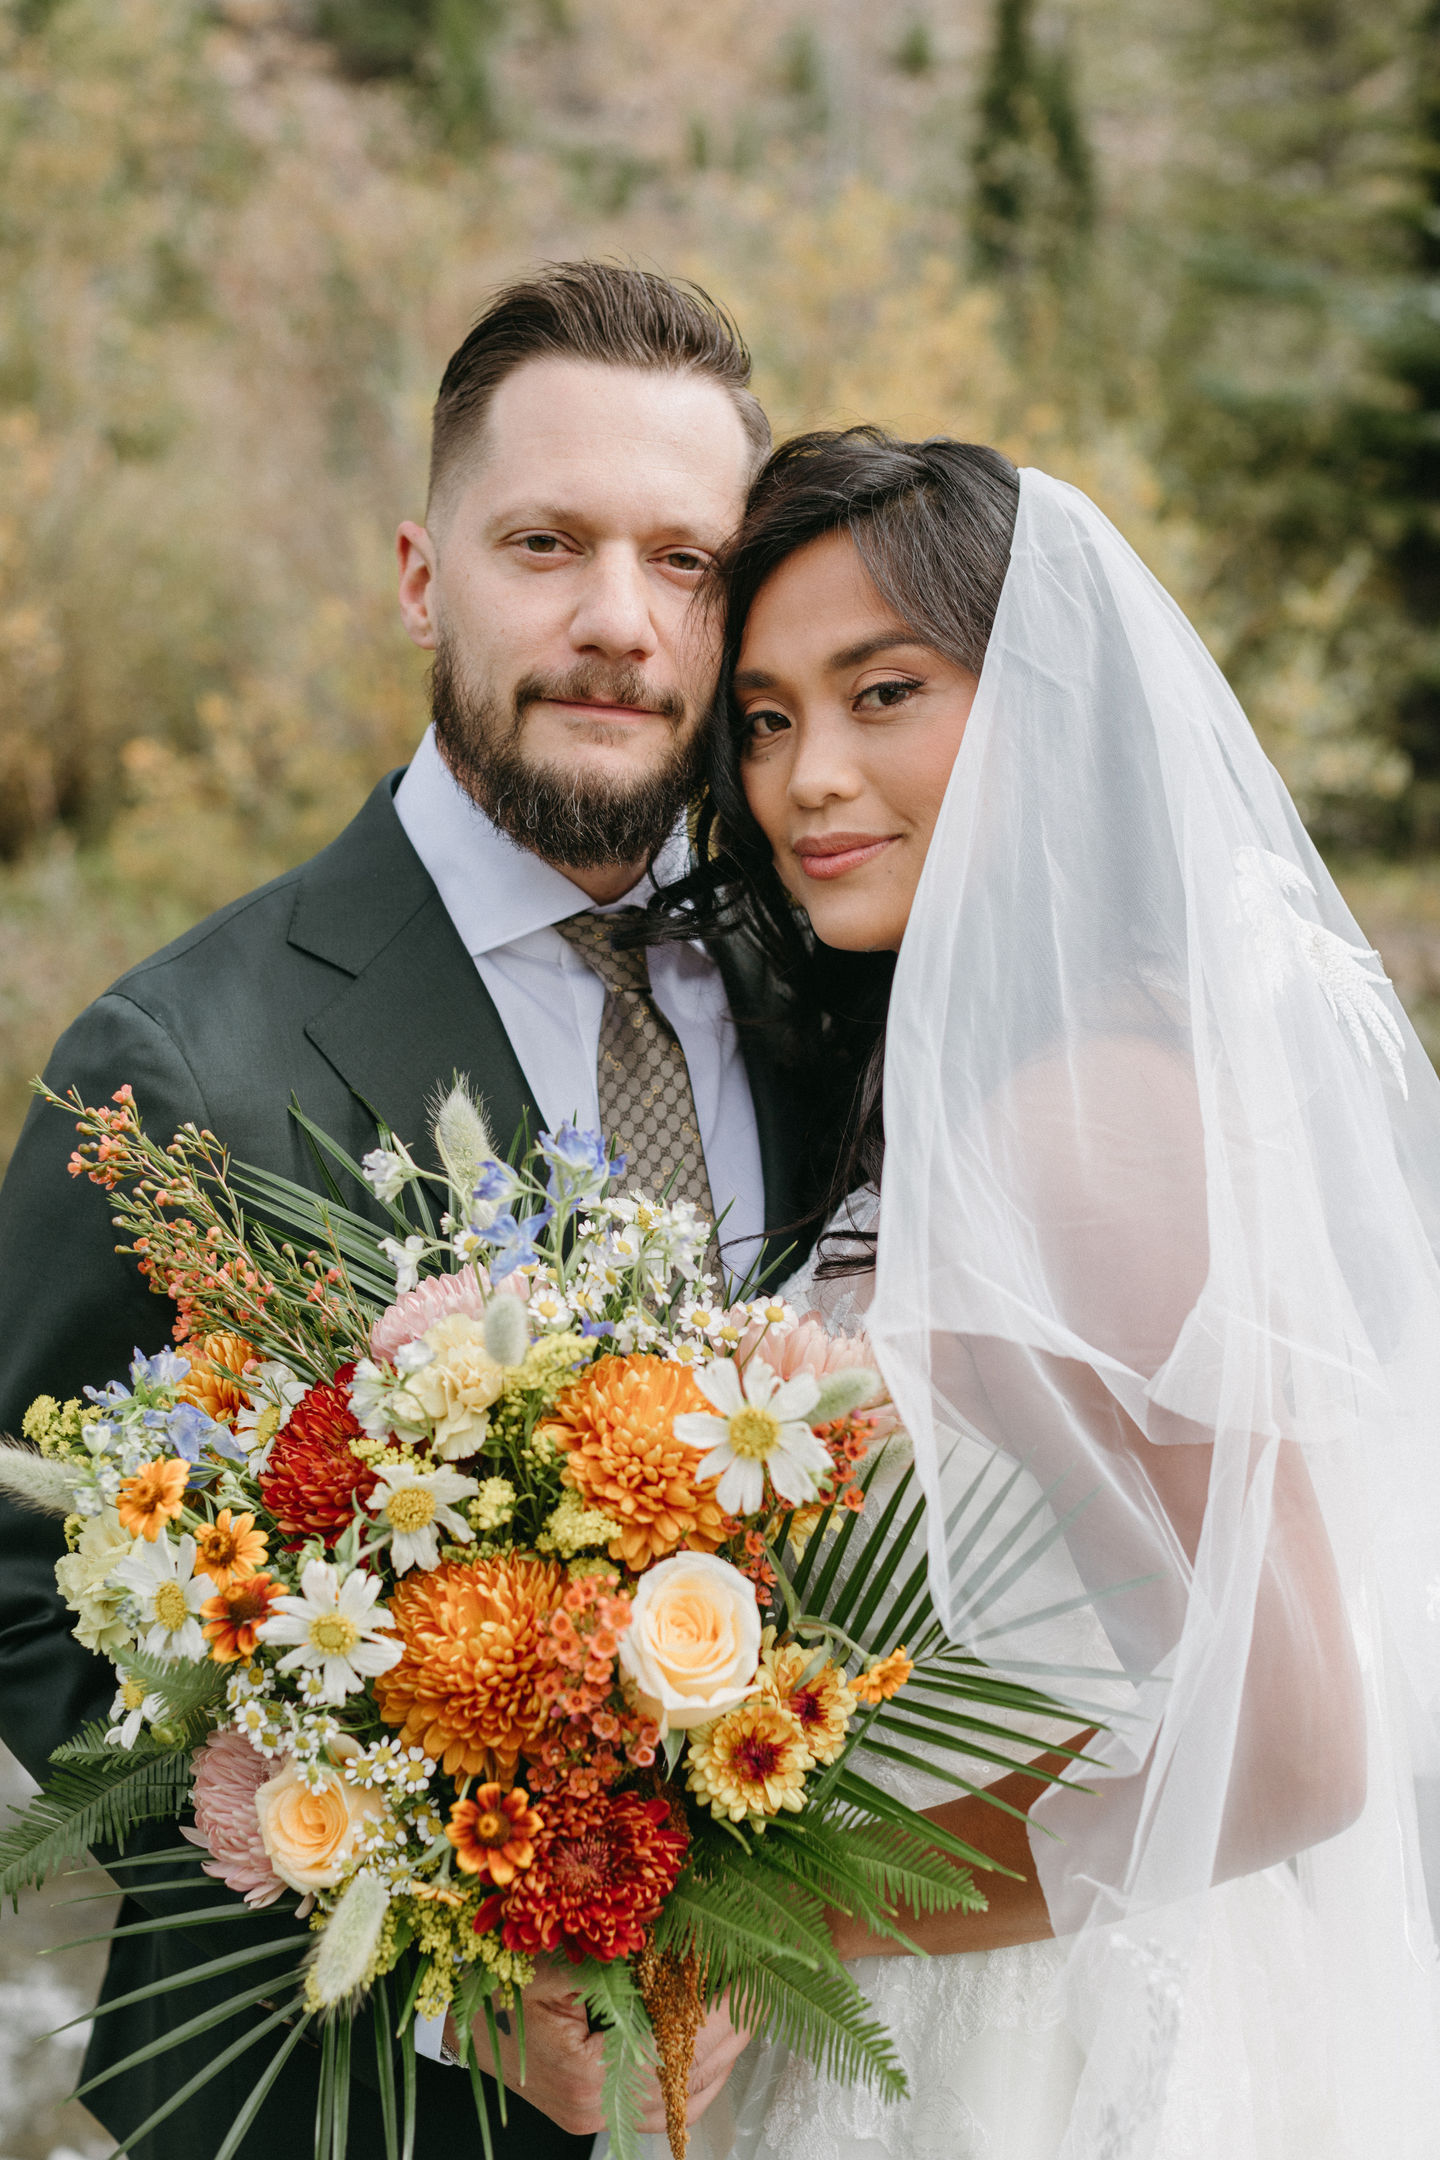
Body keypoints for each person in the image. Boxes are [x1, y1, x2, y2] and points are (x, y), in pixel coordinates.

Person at [0, 263, 833, 2159]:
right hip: (351, 2097)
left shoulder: (834, 995)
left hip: (813, 2067)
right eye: (546, 542)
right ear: (421, 573)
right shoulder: (177, 1061)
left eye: (685, 563)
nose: (617, 623)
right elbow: (13, 1582)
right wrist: (409, 1898)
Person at [640, 429, 1440, 2157]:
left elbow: (1299, 1742)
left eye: (885, 692)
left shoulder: (1088, 1117)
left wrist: (810, 1916)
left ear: (1047, 709)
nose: (807, 779)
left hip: (1050, 2036)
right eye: (767, 719)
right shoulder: (978, 1077)